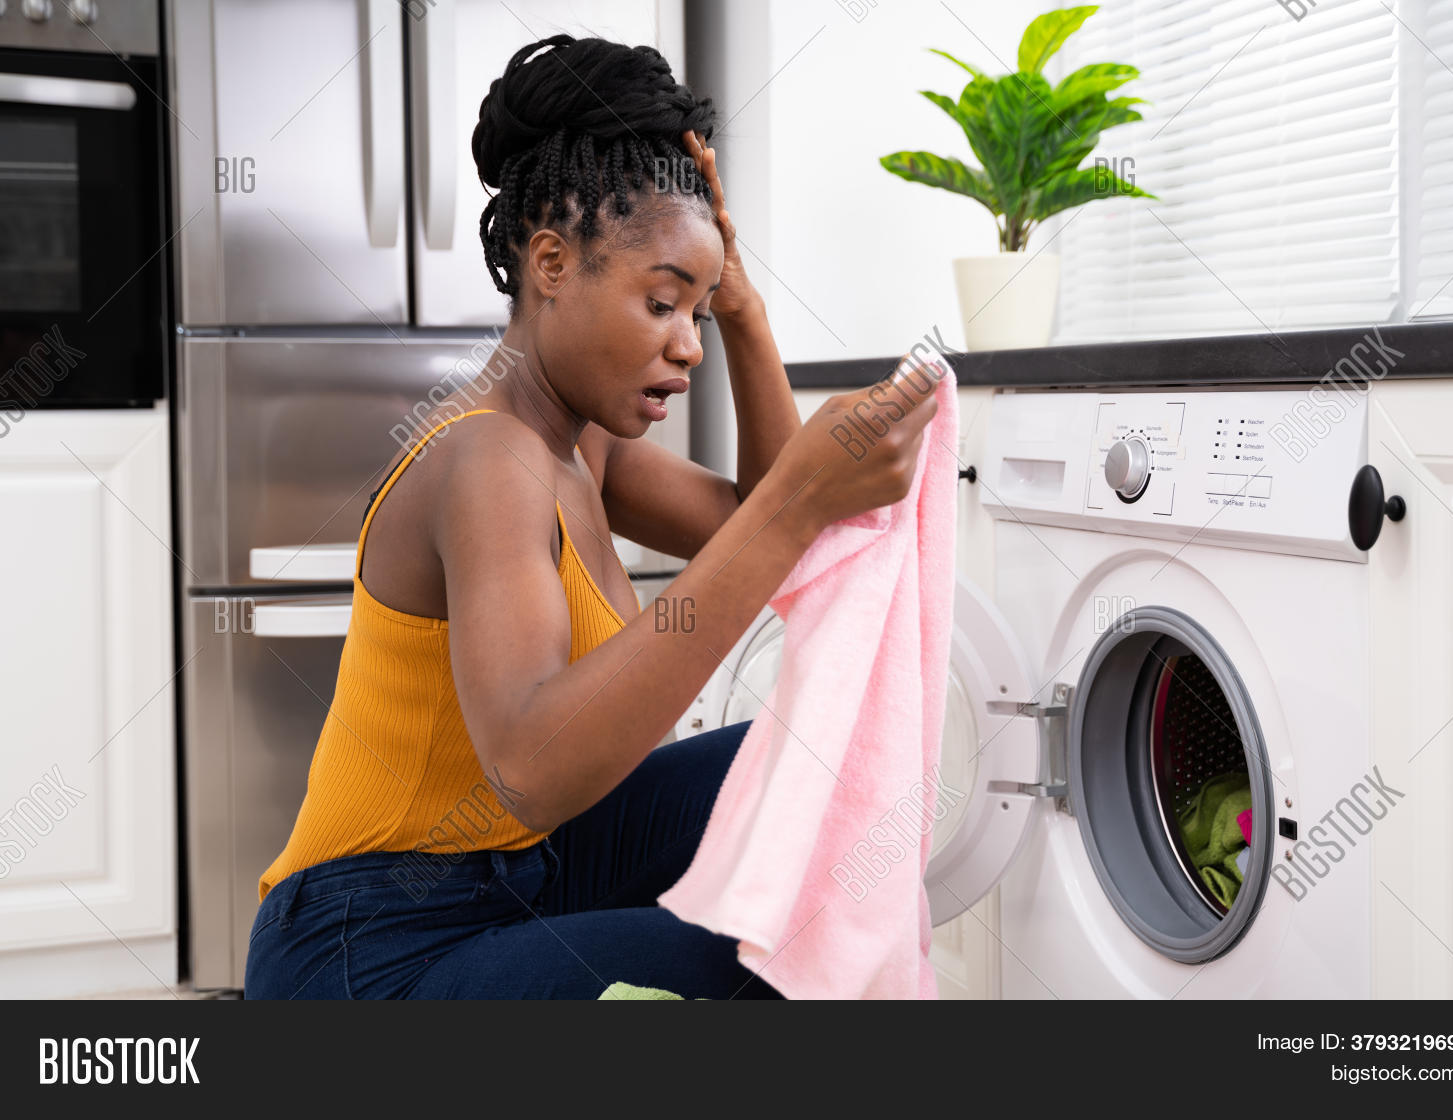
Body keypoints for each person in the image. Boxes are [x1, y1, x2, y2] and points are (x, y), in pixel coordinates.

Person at [243, 33, 939, 999]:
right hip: (368, 942)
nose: (685, 345)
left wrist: (743, 310)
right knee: (769, 954)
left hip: (525, 867)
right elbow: (531, 763)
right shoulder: (486, 457)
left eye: (696, 310)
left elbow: (766, 523)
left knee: (817, 773)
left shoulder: (581, 447)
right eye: (663, 302)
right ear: (553, 262)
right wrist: (794, 502)